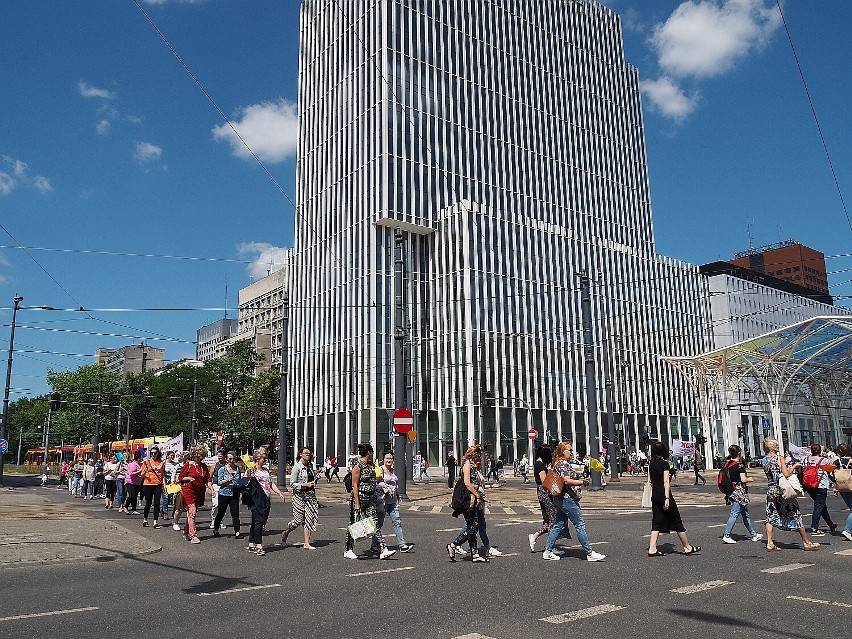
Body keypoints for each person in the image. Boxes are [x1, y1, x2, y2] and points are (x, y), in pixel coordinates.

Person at [541, 442, 605, 562]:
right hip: (568, 499)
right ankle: (589, 553)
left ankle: (547, 551)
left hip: (559, 498)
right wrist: (583, 482)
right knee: (580, 525)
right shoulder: (563, 464)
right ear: (562, 452)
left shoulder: (557, 463)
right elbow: (567, 481)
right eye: (569, 450)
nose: (571, 452)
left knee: (558, 525)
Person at [762, 437, 819, 552]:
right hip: (782, 490)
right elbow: (786, 474)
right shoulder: (779, 458)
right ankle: (806, 542)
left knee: (770, 516)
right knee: (795, 513)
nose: (778, 446)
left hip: (771, 490)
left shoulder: (764, 460)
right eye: (776, 445)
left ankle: (769, 542)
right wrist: (794, 466)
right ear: (771, 447)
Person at [647, 442, 700, 557]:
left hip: (655, 494)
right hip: (664, 494)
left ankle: (652, 548)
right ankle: (687, 547)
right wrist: (666, 497)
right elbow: (666, 482)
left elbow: (651, 481)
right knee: (677, 520)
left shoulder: (651, 464)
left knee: (656, 522)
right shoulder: (664, 464)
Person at [344, 443, 395, 560]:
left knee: (375, 523)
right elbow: (355, 485)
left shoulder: (371, 464)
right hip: (360, 498)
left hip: (371, 498)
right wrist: (357, 503)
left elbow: (375, 479)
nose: (372, 454)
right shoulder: (358, 466)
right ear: (368, 452)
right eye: (372, 452)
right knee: (354, 523)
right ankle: (348, 549)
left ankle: (383, 549)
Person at [447, 445, 486, 563]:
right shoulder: (467, 465)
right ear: (472, 454)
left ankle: (474, 554)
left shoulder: (473, 465)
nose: (479, 457)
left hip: (473, 499)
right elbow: (467, 483)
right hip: (467, 499)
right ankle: (454, 545)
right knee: (474, 526)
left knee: (471, 525)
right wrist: (477, 494)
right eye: (477, 455)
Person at [244, 449, 286, 555]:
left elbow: (270, 483)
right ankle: (259, 545)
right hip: (255, 499)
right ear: (258, 459)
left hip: (265, 498)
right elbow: (245, 484)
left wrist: (279, 493)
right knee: (259, 521)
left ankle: (251, 542)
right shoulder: (251, 470)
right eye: (264, 458)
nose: (265, 460)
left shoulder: (266, 470)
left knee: (256, 521)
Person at [528, 444, 568, 555]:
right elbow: (545, 481)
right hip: (545, 493)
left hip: (542, 493)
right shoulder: (540, 465)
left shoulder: (539, 463)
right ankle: (550, 547)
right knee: (553, 520)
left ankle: (534, 536)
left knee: (548, 521)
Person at [720, 445, 762, 544]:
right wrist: (750, 479)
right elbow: (743, 479)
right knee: (734, 514)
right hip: (739, 491)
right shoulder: (739, 465)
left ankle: (753, 534)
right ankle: (727, 535)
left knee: (745, 514)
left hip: (731, 490)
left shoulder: (727, 464)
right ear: (739, 452)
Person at [373, 451, 413, 553]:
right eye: (387, 458)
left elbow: (395, 485)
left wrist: (398, 496)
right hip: (382, 501)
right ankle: (374, 545)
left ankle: (402, 544)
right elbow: (374, 483)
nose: (389, 460)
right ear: (383, 459)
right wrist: (383, 488)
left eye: (390, 458)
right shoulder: (380, 470)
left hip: (393, 501)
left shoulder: (393, 470)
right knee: (379, 523)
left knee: (397, 522)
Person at [281, 447, 320, 550]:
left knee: (309, 518)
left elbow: (312, 480)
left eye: (309, 453)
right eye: (305, 453)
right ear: (300, 454)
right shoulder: (297, 467)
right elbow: (292, 484)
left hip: (310, 495)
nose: (308, 454)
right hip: (299, 496)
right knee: (298, 520)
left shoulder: (311, 466)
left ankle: (306, 543)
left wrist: (315, 479)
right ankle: (286, 531)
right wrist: (304, 485)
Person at [178, 445, 212, 544]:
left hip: (199, 492)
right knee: (192, 513)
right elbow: (180, 478)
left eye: (202, 455)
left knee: (191, 514)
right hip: (189, 491)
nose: (201, 457)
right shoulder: (188, 465)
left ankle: (185, 532)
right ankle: (193, 536)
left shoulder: (204, 467)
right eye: (199, 455)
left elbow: (208, 479)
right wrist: (188, 478)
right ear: (195, 455)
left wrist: (211, 488)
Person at [803, 443, 837, 537]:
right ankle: (814, 528)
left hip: (810, 485)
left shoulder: (806, 459)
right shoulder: (824, 460)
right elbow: (831, 469)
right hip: (821, 485)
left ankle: (831, 524)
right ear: (820, 451)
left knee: (821, 506)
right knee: (818, 506)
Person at [212, 452, 242, 538]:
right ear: (226, 459)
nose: (231, 461)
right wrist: (227, 481)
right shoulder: (222, 469)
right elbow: (219, 482)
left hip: (234, 493)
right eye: (229, 459)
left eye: (233, 459)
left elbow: (239, 480)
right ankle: (216, 529)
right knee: (221, 512)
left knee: (235, 513)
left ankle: (237, 532)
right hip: (224, 493)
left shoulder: (237, 469)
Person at [140, 446, 167, 528]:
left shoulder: (161, 463)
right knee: (148, 503)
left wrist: (164, 485)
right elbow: (141, 475)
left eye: (155, 453)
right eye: (151, 453)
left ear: (158, 453)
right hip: (147, 484)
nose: (153, 455)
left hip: (157, 484)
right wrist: (144, 473)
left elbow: (162, 475)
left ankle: (155, 521)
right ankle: (145, 519)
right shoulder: (146, 462)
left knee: (157, 503)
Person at [833, 443, 852, 542]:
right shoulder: (851, 461)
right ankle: (847, 530)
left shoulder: (837, 461)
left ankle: (849, 529)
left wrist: (835, 486)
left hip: (842, 487)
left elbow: (832, 474)